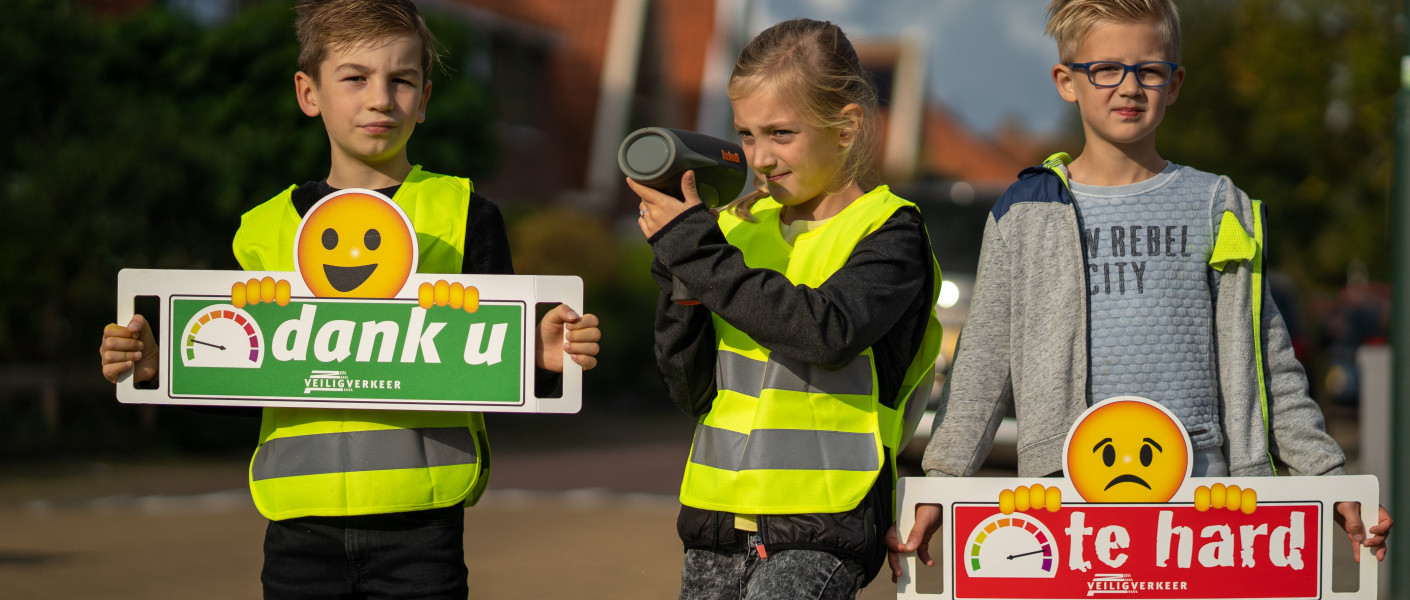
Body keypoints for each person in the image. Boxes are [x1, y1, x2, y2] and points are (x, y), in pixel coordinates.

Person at [97, 1, 601, 597]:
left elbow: (498, 380)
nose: (380, 98)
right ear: (309, 93)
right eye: (356, 77)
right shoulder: (262, 231)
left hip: (423, 526)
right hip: (297, 528)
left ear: (426, 97)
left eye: (401, 79)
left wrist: (538, 359)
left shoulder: (466, 216)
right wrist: (162, 364)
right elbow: (239, 378)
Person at [886, 0, 1392, 581]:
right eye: (1105, 68)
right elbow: (981, 366)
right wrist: (941, 486)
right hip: (1068, 508)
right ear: (1066, 80)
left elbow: (1269, 365)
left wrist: (1332, 482)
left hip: (1206, 507)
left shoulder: (1216, 204)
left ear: (1174, 83)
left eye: (1148, 70)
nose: (1128, 87)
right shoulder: (1025, 214)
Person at [630, 18, 944, 599]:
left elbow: (826, 331)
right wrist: (678, 278)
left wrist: (697, 251)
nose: (760, 158)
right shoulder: (727, 234)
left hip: (824, 524)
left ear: (846, 128)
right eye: (746, 136)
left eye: (780, 134)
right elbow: (690, 388)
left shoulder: (889, 231)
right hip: (715, 519)